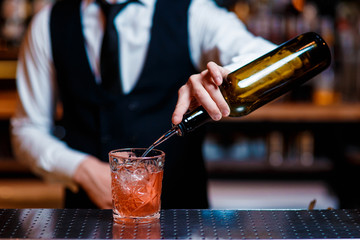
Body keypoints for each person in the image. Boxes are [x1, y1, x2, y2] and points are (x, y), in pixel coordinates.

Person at [10, 0, 275, 209]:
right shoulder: (48, 23)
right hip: (87, 221)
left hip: (181, 219)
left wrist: (224, 76)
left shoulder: (195, 12)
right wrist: (81, 170)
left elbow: (265, 55)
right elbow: (26, 130)